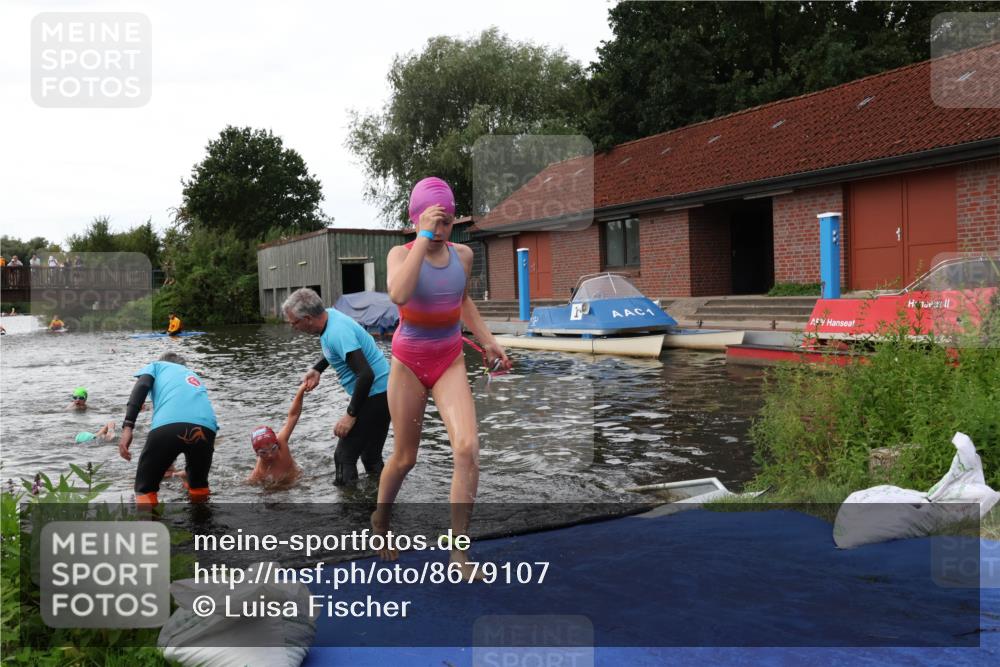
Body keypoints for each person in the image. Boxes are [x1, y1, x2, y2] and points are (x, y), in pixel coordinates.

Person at [372, 177, 511, 576]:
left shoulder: (463, 256)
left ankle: (458, 553)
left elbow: (461, 299)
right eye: (433, 221)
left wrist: (488, 341)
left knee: (467, 449)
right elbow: (399, 294)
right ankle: (381, 521)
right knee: (405, 458)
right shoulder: (400, 255)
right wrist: (422, 238)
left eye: (447, 222)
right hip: (408, 364)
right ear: (415, 220)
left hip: (449, 359)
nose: (440, 230)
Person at [285, 287, 391, 486]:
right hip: (385, 393)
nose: (294, 327)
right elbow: (336, 350)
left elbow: (366, 375)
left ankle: (348, 513)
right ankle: (381, 506)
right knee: (371, 457)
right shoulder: (330, 317)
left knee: (343, 457)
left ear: (307, 318)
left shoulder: (336, 331)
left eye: (294, 323)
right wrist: (317, 369)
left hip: (374, 395)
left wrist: (350, 415)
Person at [118, 351, 218, 506]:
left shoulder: (157, 366)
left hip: (170, 425)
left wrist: (128, 427)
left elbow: (142, 385)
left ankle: (150, 526)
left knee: (145, 488)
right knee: (198, 485)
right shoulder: (192, 376)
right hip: (207, 428)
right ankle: (202, 526)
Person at [247, 384, 306, 487]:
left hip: (296, 480)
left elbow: (293, 415)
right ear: (257, 453)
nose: (270, 455)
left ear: (277, 444)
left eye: (273, 449)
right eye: (263, 453)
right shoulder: (258, 473)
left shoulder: (281, 441)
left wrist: (301, 389)